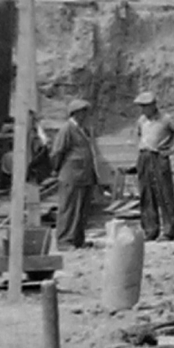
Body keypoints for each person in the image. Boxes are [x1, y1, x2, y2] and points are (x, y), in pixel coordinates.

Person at [134, 90, 174, 241]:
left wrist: (172, 149)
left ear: (153, 105)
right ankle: (150, 230)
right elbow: (139, 135)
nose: (143, 109)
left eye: (145, 106)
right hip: (144, 156)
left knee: (164, 193)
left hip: (158, 156)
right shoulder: (141, 120)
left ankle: (168, 230)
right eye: (141, 106)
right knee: (146, 194)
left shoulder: (166, 119)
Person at [51, 98, 97, 249]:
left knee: (81, 209)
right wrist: (56, 169)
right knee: (69, 208)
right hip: (71, 174)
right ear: (76, 113)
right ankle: (64, 240)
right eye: (83, 112)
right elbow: (58, 151)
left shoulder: (83, 129)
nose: (86, 115)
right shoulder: (67, 129)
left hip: (83, 175)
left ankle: (78, 238)